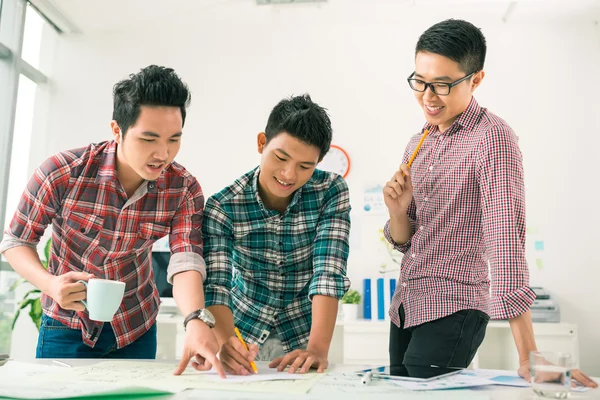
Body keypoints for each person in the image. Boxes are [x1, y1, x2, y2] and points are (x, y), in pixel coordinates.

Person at [382, 19, 597, 387]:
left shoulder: (492, 139)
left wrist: (529, 355)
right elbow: (406, 242)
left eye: (443, 85)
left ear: (476, 79)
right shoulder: (418, 142)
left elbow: (505, 238)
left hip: (453, 305)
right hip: (406, 305)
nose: (428, 96)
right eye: (420, 81)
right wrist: (398, 212)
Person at [0, 65, 225, 378]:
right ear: (117, 130)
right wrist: (50, 284)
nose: (163, 154)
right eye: (149, 139)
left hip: (136, 326)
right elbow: (16, 241)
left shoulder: (183, 188)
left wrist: (196, 319)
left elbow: (186, 260)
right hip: (67, 324)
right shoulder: (63, 172)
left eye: (174, 139)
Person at [203, 94, 350, 375]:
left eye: (305, 166)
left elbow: (328, 272)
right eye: (280, 157)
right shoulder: (223, 205)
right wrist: (225, 342)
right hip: (239, 333)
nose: (288, 174)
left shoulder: (331, 191)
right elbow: (216, 286)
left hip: (306, 337)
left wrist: (317, 349)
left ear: (318, 162)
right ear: (262, 143)